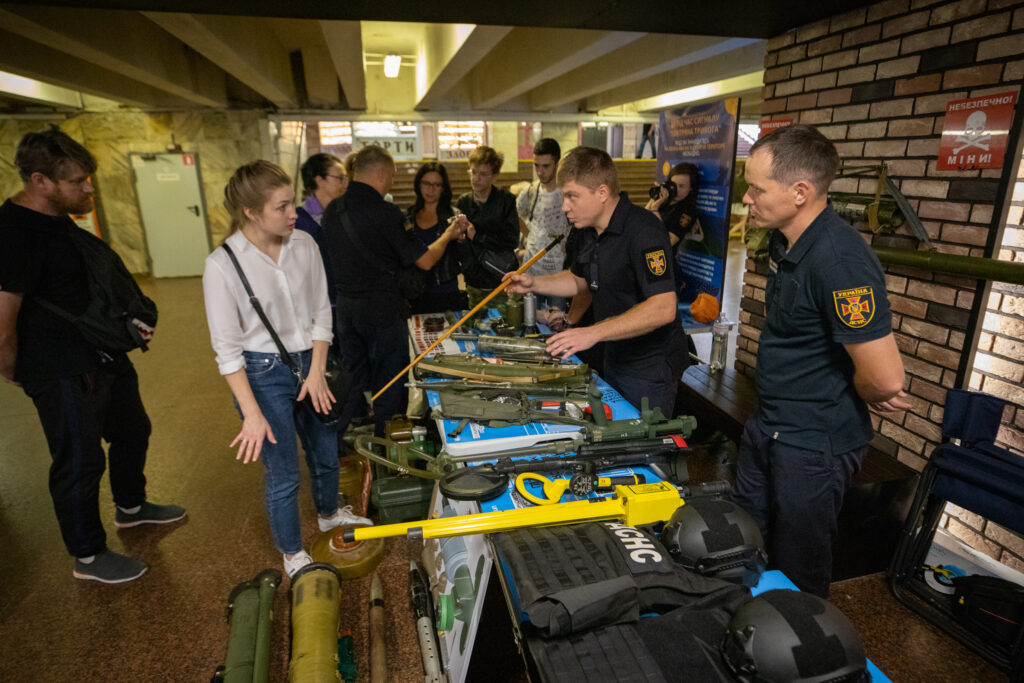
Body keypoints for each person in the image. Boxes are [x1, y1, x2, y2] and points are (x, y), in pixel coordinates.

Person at [731, 124, 910, 598]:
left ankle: (800, 638)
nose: (747, 198)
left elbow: (886, 379)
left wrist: (863, 389)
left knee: (799, 568)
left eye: (756, 189)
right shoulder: (784, 240)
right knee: (743, 543)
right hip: (769, 426)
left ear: (800, 192)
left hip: (812, 445)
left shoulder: (839, 261)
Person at [0, 129, 185, 584]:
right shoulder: (14, 234)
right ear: (40, 180)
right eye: (77, 181)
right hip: (58, 366)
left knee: (133, 429)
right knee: (79, 460)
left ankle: (131, 507)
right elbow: (3, 318)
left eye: (89, 178)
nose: (89, 188)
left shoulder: (58, 219)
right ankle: (87, 555)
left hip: (100, 352)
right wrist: (14, 368)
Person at [202, 160, 369, 579]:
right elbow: (227, 351)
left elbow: (321, 312)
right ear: (251, 212)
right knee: (283, 471)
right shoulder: (223, 265)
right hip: (261, 373)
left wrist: (316, 371)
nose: (293, 213)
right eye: (281, 207)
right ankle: (292, 553)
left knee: (325, 451)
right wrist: (251, 414)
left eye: (292, 202)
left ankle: (329, 514)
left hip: (310, 360)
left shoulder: (304, 244)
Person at [504, 147, 687, 417]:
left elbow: (663, 307)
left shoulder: (644, 231)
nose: (564, 206)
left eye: (572, 196)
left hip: (650, 367)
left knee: (638, 437)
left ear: (602, 193)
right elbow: (579, 280)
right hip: (613, 353)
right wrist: (533, 283)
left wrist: (592, 332)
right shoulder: (588, 231)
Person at [322, 145, 463, 436]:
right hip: (383, 312)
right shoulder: (387, 213)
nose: (391, 182)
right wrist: (449, 234)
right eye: (391, 176)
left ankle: (334, 440)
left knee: (353, 378)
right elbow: (425, 261)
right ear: (381, 174)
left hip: (346, 310)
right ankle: (384, 445)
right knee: (389, 381)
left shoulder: (333, 211)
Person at [454, 145, 519, 311]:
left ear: (494, 176)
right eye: (473, 172)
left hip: (500, 279)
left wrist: (477, 236)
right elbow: (460, 245)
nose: (476, 178)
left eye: (483, 174)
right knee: (476, 323)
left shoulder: (506, 201)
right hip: (473, 282)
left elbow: (511, 240)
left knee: (504, 322)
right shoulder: (463, 202)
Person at [517, 138, 572, 311]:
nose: (540, 172)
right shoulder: (530, 191)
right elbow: (517, 214)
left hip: (559, 275)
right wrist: (530, 237)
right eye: (537, 166)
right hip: (531, 272)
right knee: (530, 320)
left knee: (557, 321)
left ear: (557, 164)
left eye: (546, 166)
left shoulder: (567, 193)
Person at [405, 162, 466, 314]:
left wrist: (463, 238)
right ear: (418, 185)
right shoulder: (409, 217)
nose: (431, 189)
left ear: (443, 188)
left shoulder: (453, 216)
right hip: (415, 292)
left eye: (437, 185)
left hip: (446, 291)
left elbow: (463, 255)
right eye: (426, 183)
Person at [644, 162, 703, 250]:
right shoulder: (664, 200)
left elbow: (669, 242)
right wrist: (655, 197)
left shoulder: (688, 210)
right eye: (673, 185)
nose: (675, 189)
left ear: (691, 188)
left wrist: (655, 210)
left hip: (659, 256)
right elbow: (641, 220)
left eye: (681, 186)